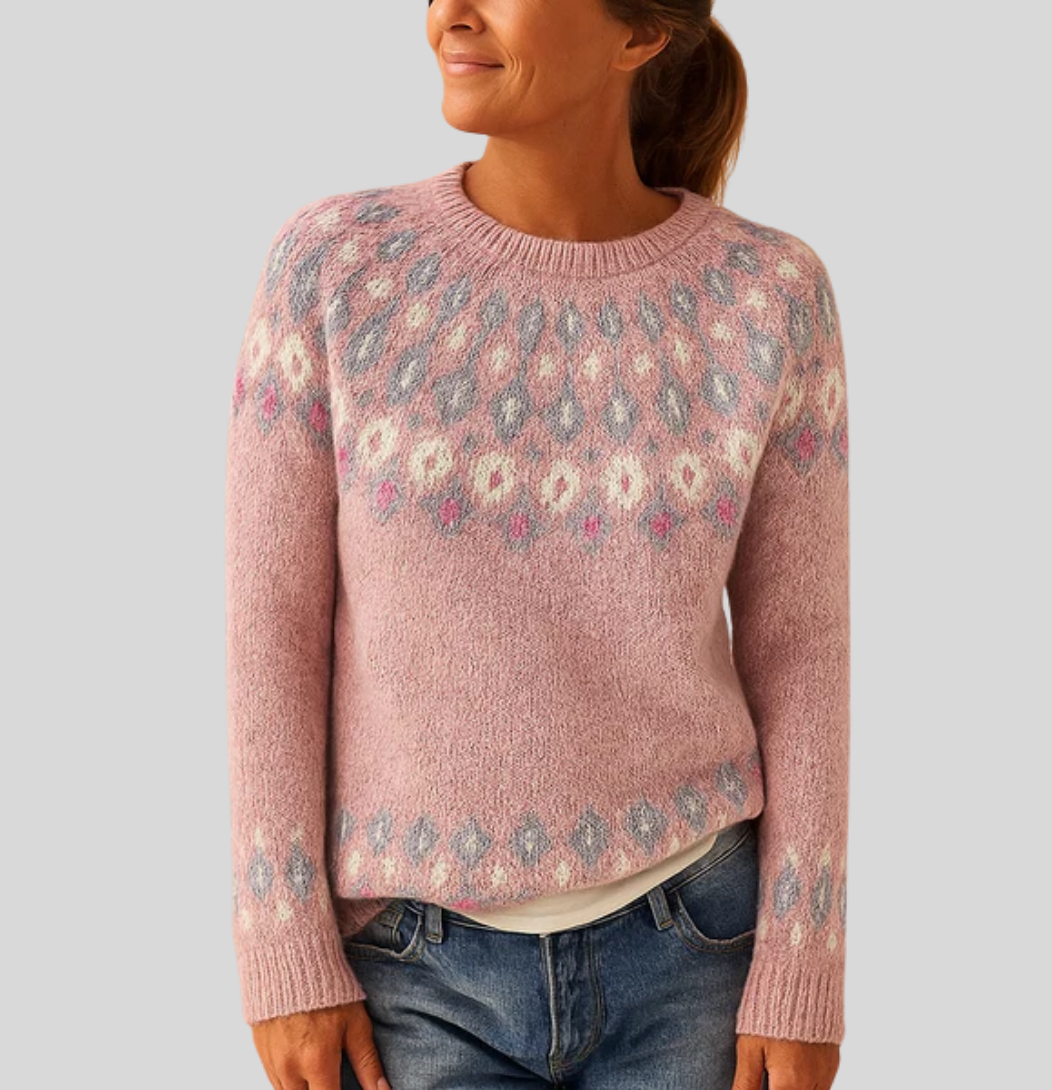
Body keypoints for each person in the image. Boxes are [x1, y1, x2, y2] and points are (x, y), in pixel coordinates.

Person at [224, 1, 850, 1088]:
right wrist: (281, 951)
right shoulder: (336, 267)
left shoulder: (769, 295)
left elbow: (804, 654)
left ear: (639, 35)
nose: (449, 14)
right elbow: (269, 632)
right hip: (408, 975)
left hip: (697, 954)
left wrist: (804, 962)